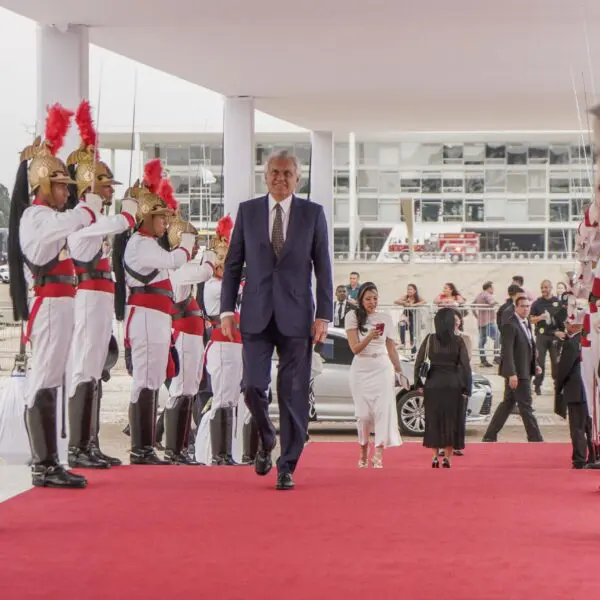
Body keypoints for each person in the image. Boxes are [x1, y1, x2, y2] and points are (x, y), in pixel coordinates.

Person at [220, 149, 333, 491]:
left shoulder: (313, 214)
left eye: (287, 173)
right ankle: (267, 438)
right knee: (252, 386)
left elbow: (323, 268)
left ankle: (287, 465)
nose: (280, 178)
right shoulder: (248, 211)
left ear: (297, 178)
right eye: (274, 172)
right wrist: (227, 310)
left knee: (293, 392)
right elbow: (232, 264)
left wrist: (324, 315)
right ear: (265, 175)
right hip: (255, 314)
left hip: (298, 317)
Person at [8, 103, 103, 488]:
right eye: (63, 185)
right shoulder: (36, 217)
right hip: (48, 304)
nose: (69, 192)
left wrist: (89, 211)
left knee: (56, 374)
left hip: (63, 302)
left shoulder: (51, 216)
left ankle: (53, 459)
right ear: (45, 185)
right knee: (45, 375)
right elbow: (63, 225)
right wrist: (88, 210)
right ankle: (43, 464)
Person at [64, 99, 137, 469]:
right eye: (105, 183)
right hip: (88, 294)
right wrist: (125, 216)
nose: (110, 189)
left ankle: (88, 443)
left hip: (100, 296)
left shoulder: (94, 218)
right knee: (84, 365)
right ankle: (77, 446)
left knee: (95, 366)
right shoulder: (80, 218)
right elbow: (91, 235)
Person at [114, 160, 194, 465]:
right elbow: (174, 261)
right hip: (145, 316)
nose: (165, 224)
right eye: (161, 218)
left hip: (156, 318)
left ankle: (145, 445)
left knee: (153, 377)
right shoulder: (139, 244)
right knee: (146, 379)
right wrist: (186, 243)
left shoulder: (147, 244)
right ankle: (140, 447)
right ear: (146, 218)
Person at [164, 196, 216, 465]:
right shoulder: (179, 269)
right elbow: (206, 273)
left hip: (192, 335)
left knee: (190, 388)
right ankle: (174, 448)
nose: (195, 246)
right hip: (183, 335)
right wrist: (211, 255)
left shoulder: (182, 267)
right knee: (181, 388)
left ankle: (182, 446)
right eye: (192, 241)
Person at [195, 215, 248, 467]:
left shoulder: (226, 284)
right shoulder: (214, 286)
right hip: (223, 345)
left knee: (231, 398)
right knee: (223, 398)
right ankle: (219, 454)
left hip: (233, 346)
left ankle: (225, 453)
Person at [345, 282, 403, 468]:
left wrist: (399, 370)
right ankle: (363, 450)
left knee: (382, 411)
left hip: (382, 367)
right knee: (362, 415)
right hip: (361, 367)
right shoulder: (352, 316)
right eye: (368, 299)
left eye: (375, 298)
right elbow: (355, 349)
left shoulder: (385, 317)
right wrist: (369, 336)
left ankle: (378, 453)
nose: (372, 302)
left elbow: (391, 348)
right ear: (361, 300)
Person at [414, 308, 472, 468]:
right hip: (453, 383)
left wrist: (418, 383)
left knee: (434, 420)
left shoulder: (430, 339)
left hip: (433, 383)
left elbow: (418, 362)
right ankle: (447, 458)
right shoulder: (458, 341)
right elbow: (466, 366)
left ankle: (434, 457)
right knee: (451, 421)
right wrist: (467, 387)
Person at [482, 296, 544, 443]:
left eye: (528, 306)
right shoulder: (510, 324)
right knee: (526, 406)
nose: (525, 309)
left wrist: (534, 364)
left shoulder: (527, 322)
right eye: (522, 306)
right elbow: (507, 351)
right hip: (517, 374)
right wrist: (511, 374)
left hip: (524, 370)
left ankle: (489, 436)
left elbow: (528, 346)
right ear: (515, 307)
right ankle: (536, 439)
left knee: (507, 404)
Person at [554, 312, 595, 469]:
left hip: (575, 389)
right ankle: (593, 455)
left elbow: (564, 368)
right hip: (588, 390)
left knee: (577, 426)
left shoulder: (571, 343)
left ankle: (579, 458)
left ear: (575, 325)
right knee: (589, 426)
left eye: (568, 324)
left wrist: (558, 386)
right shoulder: (588, 340)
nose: (566, 327)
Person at [530, 279, 561, 395]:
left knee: (555, 362)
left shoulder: (558, 302)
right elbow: (531, 319)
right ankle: (537, 385)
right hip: (541, 336)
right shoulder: (537, 303)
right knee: (540, 362)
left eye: (546, 287)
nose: (544, 290)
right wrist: (539, 318)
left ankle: (557, 385)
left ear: (551, 288)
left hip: (554, 337)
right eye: (542, 287)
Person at [472, 281, 499, 368]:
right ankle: (496, 358)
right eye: (492, 288)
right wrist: (496, 303)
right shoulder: (487, 294)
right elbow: (491, 302)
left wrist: (476, 315)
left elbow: (472, 305)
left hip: (481, 322)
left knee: (482, 342)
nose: (493, 289)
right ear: (489, 288)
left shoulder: (479, 295)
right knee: (498, 337)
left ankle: (483, 360)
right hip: (488, 322)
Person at [394, 283, 426, 355]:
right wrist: (405, 303)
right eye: (408, 289)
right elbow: (396, 301)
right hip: (405, 317)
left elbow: (424, 301)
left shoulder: (417, 297)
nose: (409, 291)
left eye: (410, 289)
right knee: (401, 324)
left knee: (412, 335)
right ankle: (403, 343)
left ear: (415, 290)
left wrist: (413, 305)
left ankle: (413, 353)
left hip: (414, 318)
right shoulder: (406, 297)